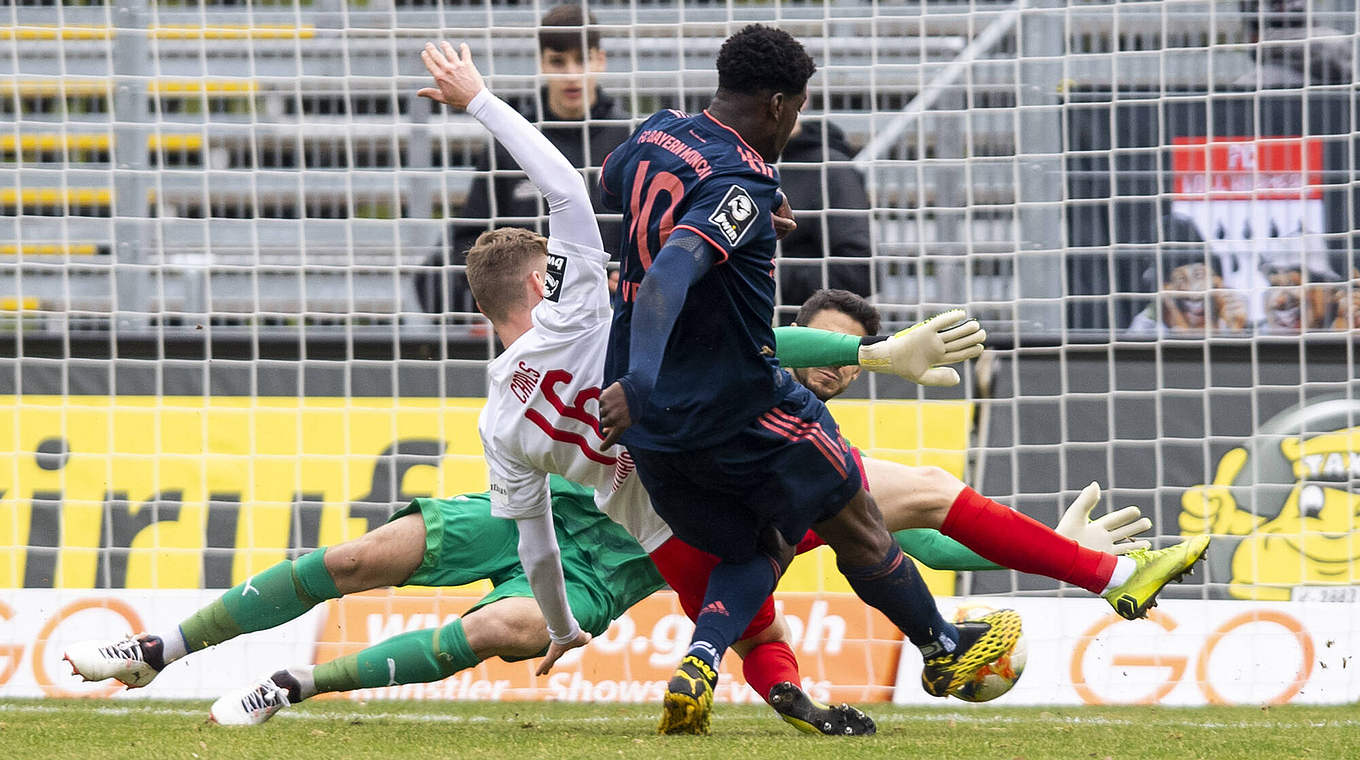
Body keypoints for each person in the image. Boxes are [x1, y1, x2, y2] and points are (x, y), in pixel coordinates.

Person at [596, 25, 1209, 733]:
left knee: (764, 543)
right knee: (859, 517)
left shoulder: (657, 132)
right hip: (742, 412)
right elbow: (675, 265)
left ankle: (704, 655)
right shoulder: (742, 179)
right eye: (795, 111)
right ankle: (957, 639)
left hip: (655, 438)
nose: (794, 126)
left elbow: (617, 182)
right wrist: (643, 367)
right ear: (775, 103)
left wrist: (748, 230)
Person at [414, 3, 630, 315]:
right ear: (542, 62)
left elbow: (647, 230)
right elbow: (469, 239)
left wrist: (630, 274)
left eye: (581, 60)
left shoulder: (627, 140)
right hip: (528, 317)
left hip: (606, 313)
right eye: (558, 61)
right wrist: (507, 293)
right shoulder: (512, 140)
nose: (571, 74)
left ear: (600, 60)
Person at [775, 118, 873, 315]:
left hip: (795, 335)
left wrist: (759, 273)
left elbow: (859, 272)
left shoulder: (830, 170)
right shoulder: (728, 163)